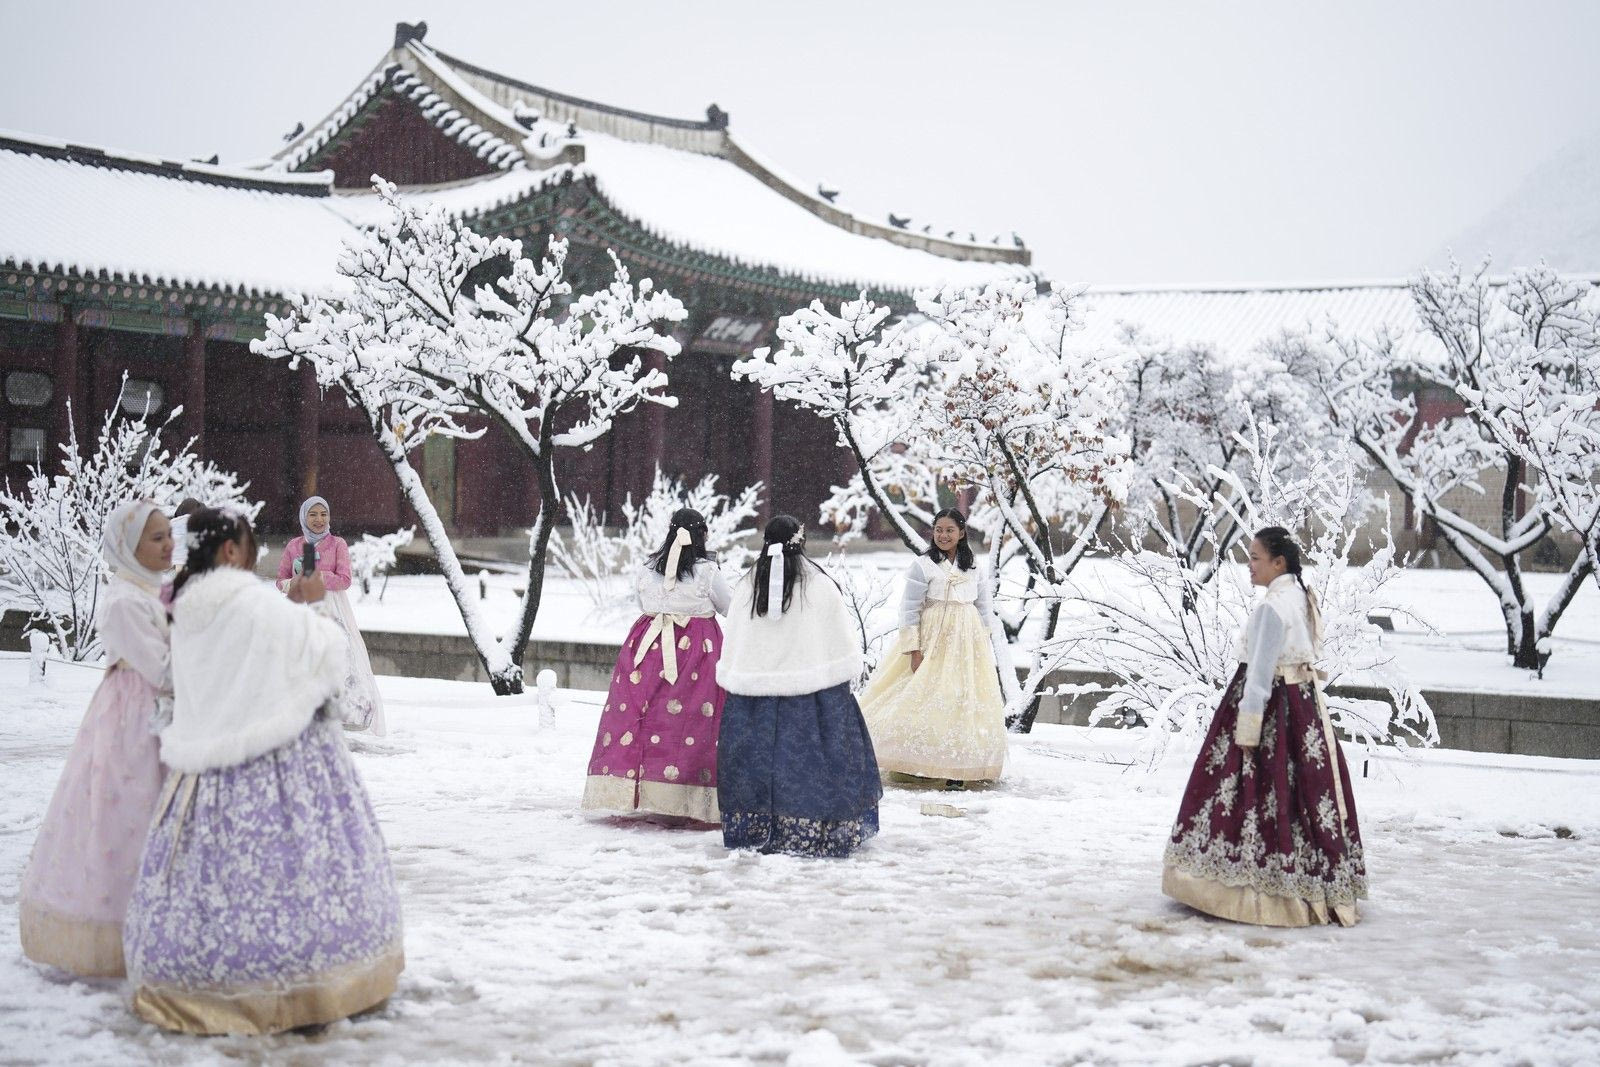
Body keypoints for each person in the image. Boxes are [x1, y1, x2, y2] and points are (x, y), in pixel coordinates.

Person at [123, 507, 404, 1034]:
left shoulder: (181, 605)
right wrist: (309, 606)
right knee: (286, 870)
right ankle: (298, 980)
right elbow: (321, 652)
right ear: (231, 551)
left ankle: (194, 977)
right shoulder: (249, 602)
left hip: (201, 771)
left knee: (203, 876)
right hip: (273, 758)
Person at [1162, 526, 1366, 927]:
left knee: (1252, 792)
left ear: (1279, 563)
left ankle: (1258, 892)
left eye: (1256, 558)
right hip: (1304, 709)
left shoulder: (1272, 608)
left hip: (1273, 709)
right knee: (1303, 797)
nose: (1249, 566)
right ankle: (1317, 882)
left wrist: (1247, 728)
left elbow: (1259, 674)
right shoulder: (1299, 596)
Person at [18, 501, 173, 977]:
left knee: (161, 810)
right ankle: (120, 924)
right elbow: (161, 668)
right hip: (134, 716)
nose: (168, 544)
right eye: (156, 538)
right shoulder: (125, 599)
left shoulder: (149, 589)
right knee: (129, 807)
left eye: (169, 534)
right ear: (128, 547)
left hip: (156, 710)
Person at [716, 516, 881, 857]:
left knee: (760, 763)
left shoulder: (748, 584)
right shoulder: (818, 584)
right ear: (800, 540)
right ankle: (816, 827)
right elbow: (838, 637)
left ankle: (760, 825)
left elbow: (737, 636)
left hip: (755, 694)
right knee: (811, 763)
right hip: (812, 693)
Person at [584, 509, 732, 824]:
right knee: (691, 723)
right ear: (702, 535)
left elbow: (645, 604)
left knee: (644, 718)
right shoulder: (707, 571)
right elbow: (728, 606)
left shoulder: (648, 569)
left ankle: (637, 789)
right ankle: (686, 795)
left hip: (646, 651)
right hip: (696, 654)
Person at [858, 508, 1007, 788]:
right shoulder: (923, 565)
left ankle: (958, 767)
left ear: (962, 533)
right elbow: (910, 609)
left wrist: (983, 642)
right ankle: (911, 762)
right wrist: (914, 649)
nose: (943, 535)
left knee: (960, 698)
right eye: (938, 529)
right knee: (922, 695)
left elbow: (984, 606)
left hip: (966, 639)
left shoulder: (974, 566)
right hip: (933, 638)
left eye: (949, 530)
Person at [277, 495, 387, 736]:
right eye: (313, 515)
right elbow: (280, 581)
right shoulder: (294, 546)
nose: (319, 520)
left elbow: (345, 580)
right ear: (304, 517)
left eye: (323, 514)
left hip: (332, 609)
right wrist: (294, 582)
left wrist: (319, 576)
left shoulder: (337, 544)